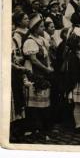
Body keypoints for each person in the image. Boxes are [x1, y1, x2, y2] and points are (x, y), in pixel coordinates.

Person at [22, 13, 53, 140]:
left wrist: (49, 66)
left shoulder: (41, 39)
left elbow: (46, 56)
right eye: (40, 27)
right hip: (34, 72)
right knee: (34, 101)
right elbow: (34, 60)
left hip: (42, 72)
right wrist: (46, 69)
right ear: (34, 28)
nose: (43, 29)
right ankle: (34, 128)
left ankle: (41, 127)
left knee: (43, 101)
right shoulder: (30, 41)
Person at [65, 32, 80, 132]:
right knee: (77, 104)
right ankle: (78, 124)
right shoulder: (73, 56)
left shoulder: (79, 54)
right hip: (76, 83)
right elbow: (74, 72)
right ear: (76, 44)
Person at [11, 11, 29, 140]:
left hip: (23, 63)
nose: (27, 20)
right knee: (18, 95)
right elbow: (17, 51)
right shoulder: (17, 35)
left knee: (23, 95)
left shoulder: (27, 31)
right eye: (25, 18)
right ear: (18, 21)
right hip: (19, 65)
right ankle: (18, 127)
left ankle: (24, 124)